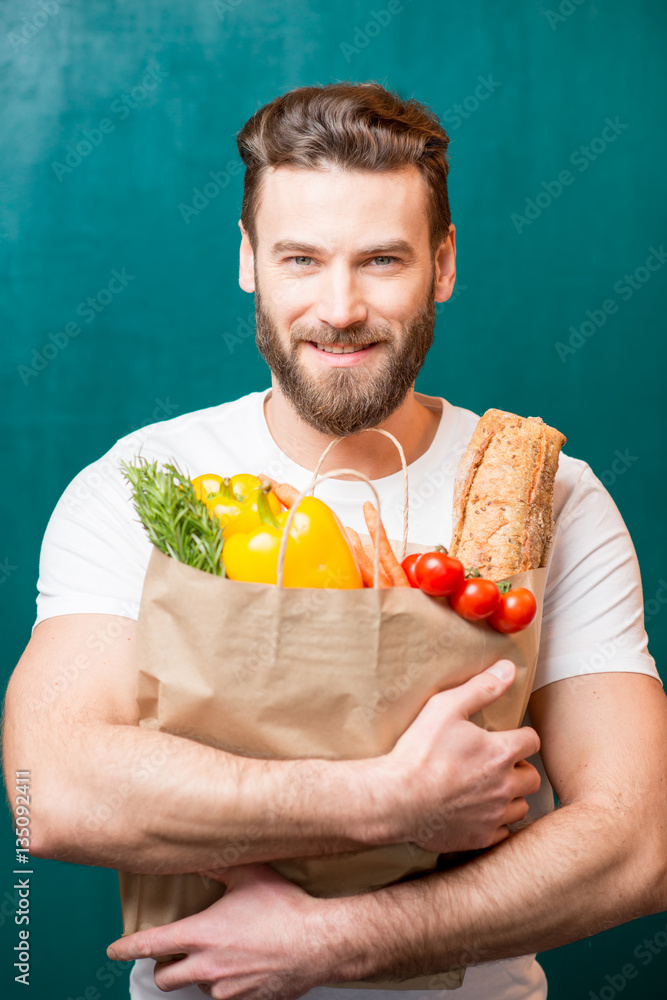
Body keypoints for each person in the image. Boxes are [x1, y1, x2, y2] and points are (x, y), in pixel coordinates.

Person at [3, 82, 666, 1000]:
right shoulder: (139, 482)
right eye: (302, 259)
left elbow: (638, 843)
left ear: (443, 265)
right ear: (249, 261)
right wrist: (388, 802)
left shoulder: (557, 496)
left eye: (383, 261)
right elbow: (49, 796)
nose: (341, 306)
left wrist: (335, 940)